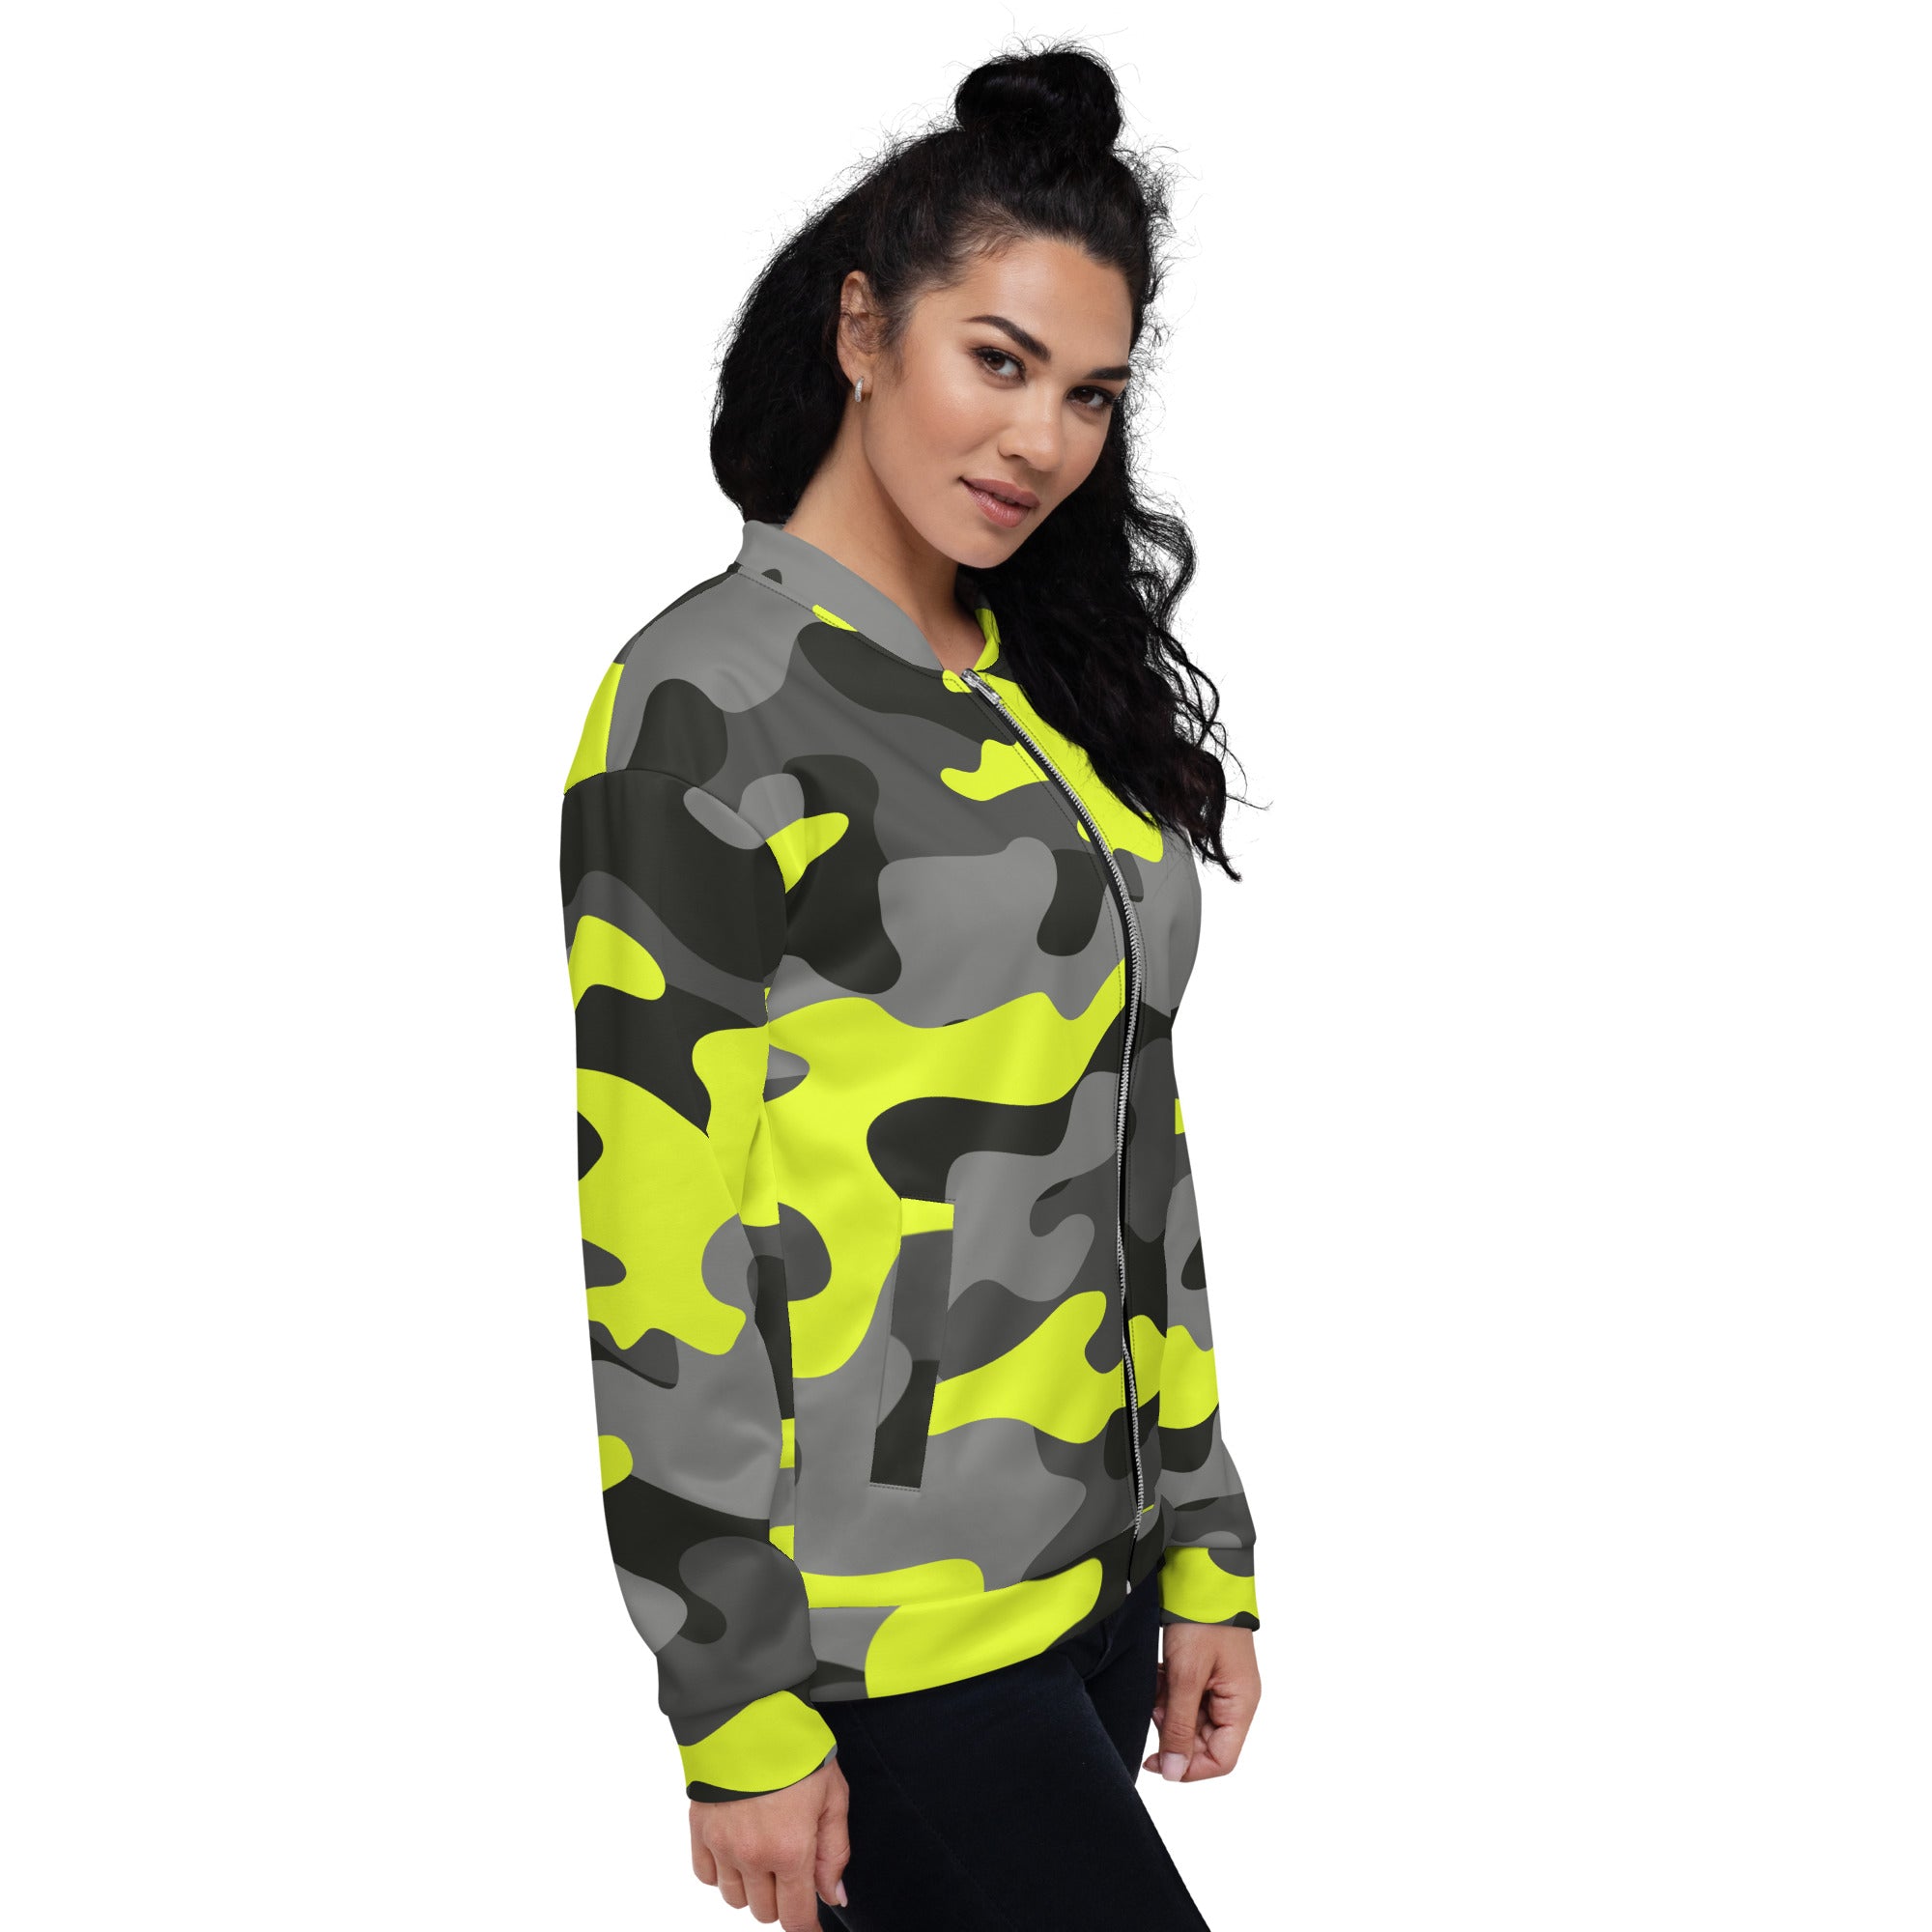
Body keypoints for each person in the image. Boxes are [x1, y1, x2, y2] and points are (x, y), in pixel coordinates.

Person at [558, 39, 1262, 1932]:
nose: (1041, 440)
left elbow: (1138, 1140)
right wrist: (731, 1700)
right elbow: (657, 1221)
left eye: (1090, 394)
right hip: (874, 1639)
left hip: (1094, 1589)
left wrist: (1202, 1537)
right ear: (865, 330)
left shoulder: (1050, 686)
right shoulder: (705, 703)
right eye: (998, 362)